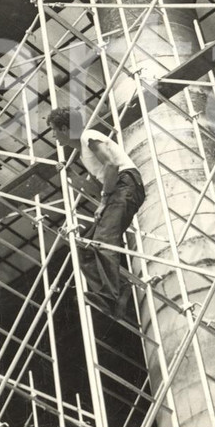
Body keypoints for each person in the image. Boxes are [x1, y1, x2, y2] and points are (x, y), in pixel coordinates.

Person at [47, 107, 144, 317]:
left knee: (103, 240)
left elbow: (112, 166)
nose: (54, 136)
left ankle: (110, 296)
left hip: (126, 184)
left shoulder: (89, 137)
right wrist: (71, 174)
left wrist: (104, 201)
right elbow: (100, 186)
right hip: (118, 190)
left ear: (64, 128)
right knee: (86, 248)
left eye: (54, 130)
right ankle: (119, 289)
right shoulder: (83, 152)